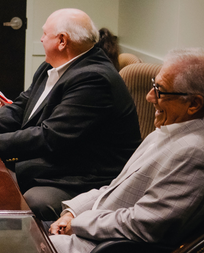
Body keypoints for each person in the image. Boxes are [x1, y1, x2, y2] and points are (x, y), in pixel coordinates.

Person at [0, 8, 141, 221]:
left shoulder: (94, 80)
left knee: (5, 184)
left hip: (85, 177)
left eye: (44, 34)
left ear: (62, 41)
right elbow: (20, 108)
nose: (40, 39)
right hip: (58, 161)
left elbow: (49, 137)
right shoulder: (53, 66)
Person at [49, 48, 204, 253]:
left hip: (100, 246)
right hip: (92, 229)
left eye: (160, 90)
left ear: (194, 103)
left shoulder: (193, 152)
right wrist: (73, 213)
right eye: (153, 85)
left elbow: (144, 224)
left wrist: (78, 224)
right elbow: (116, 187)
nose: (149, 97)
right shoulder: (166, 131)